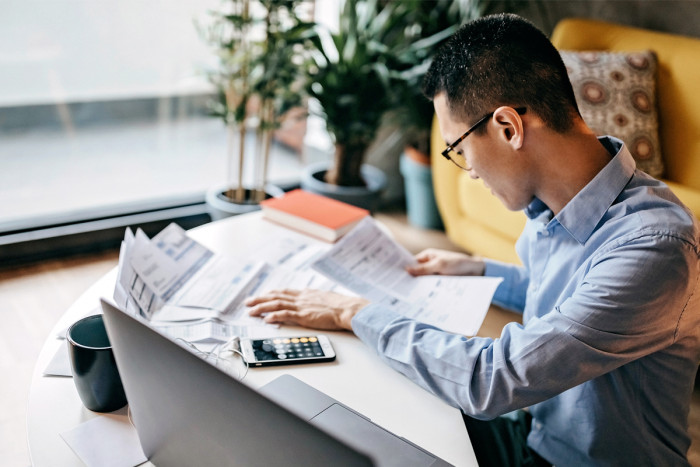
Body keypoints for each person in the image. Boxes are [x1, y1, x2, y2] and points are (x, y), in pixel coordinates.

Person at [246, 13, 700, 466]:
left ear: (509, 127)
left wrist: (355, 313)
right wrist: (480, 269)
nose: (470, 169)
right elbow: (569, 294)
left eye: (459, 149)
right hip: (534, 431)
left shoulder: (655, 247)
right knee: (375, 420)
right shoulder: (561, 200)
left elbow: (494, 379)